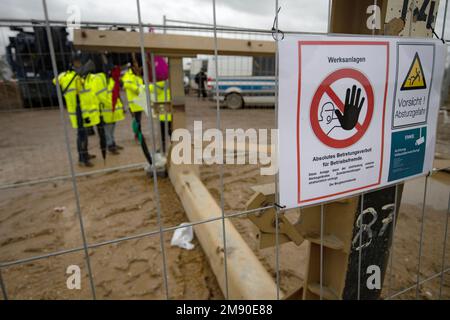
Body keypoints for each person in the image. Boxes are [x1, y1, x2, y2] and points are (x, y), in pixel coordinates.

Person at [53, 55, 100, 167]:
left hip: (82, 109)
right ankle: (82, 159)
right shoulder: (70, 76)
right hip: (77, 110)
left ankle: (85, 154)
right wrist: (73, 76)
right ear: (72, 63)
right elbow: (56, 80)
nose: (80, 64)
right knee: (81, 134)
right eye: (77, 62)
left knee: (84, 134)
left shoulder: (76, 76)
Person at [93, 68, 125, 154]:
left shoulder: (112, 81)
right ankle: (110, 145)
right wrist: (111, 104)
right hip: (107, 109)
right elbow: (102, 97)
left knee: (112, 127)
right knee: (107, 128)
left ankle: (112, 143)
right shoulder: (101, 83)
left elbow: (116, 93)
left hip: (113, 109)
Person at [121, 60, 144, 138]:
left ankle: (138, 133)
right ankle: (138, 134)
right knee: (136, 119)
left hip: (139, 101)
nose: (137, 67)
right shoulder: (128, 75)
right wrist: (137, 89)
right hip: (133, 102)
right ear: (132, 66)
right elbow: (127, 84)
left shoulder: (138, 75)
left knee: (138, 119)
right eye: (136, 65)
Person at [150, 80, 172, 153]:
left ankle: (163, 149)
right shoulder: (170, 83)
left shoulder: (160, 83)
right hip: (169, 113)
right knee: (171, 133)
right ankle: (174, 148)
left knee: (164, 134)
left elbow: (151, 89)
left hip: (163, 114)